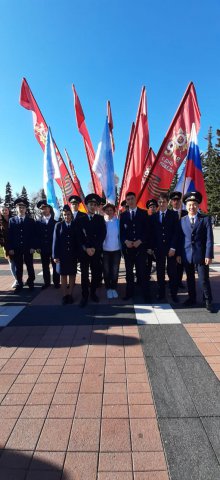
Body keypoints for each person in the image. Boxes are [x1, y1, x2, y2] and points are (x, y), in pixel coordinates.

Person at [180, 191, 214, 312]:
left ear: (198, 205)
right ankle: (192, 298)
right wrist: (179, 254)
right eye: (189, 204)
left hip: (201, 254)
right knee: (189, 278)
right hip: (187, 254)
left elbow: (209, 239)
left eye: (194, 204)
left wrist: (209, 255)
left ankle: (208, 300)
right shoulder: (182, 220)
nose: (192, 207)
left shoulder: (205, 219)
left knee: (204, 279)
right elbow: (180, 239)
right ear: (186, 206)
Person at [76, 194, 106, 307]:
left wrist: (94, 248)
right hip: (84, 252)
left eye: (94, 205)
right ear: (86, 205)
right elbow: (78, 236)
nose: (92, 206)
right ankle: (84, 296)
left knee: (96, 274)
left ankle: (93, 293)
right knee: (84, 275)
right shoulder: (80, 220)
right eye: (90, 204)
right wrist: (86, 248)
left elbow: (102, 235)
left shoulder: (100, 219)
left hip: (96, 251)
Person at [120, 191, 151, 301]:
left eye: (132, 198)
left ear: (135, 199)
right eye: (128, 199)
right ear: (126, 201)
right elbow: (121, 232)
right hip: (128, 249)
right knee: (129, 273)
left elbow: (147, 231)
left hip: (140, 248)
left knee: (142, 272)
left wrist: (141, 240)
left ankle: (146, 295)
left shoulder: (143, 213)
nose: (130, 201)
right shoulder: (123, 215)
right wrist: (125, 241)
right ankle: (129, 293)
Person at [151, 192, 179, 302]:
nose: (161, 204)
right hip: (159, 249)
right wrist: (153, 247)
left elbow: (176, 233)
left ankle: (173, 293)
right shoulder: (154, 216)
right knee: (160, 272)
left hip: (170, 249)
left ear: (168, 202)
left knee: (172, 272)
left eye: (164, 202)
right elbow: (152, 234)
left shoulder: (173, 215)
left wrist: (173, 247)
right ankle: (161, 293)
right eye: (160, 202)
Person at [8, 197, 36, 292]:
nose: (21, 209)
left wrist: (33, 247)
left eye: (23, 207)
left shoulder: (31, 221)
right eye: (19, 207)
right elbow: (10, 235)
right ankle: (19, 283)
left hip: (28, 248)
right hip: (16, 248)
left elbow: (33, 235)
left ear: (26, 209)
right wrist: (10, 248)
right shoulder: (12, 220)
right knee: (18, 267)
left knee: (30, 266)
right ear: (16, 208)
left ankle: (31, 282)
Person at [52, 205, 77, 305]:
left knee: (72, 275)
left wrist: (78, 254)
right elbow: (55, 241)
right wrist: (55, 256)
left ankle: (70, 295)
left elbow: (77, 241)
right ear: (63, 215)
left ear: (71, 215)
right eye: (65, 214)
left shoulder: (75, 225)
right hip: (61, 255)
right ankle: (64, 295)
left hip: (72, 255)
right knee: (63, 275)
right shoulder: (58, 225)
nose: (67, 216)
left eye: (68, 214)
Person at [36, 200, 60, 289]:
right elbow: (36, 235)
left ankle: (56, 282)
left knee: (55, 265)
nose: (45, 210)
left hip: (53, 247)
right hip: (43, 248)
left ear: (49, 209)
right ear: (41, 210)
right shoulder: (38, 222)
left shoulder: (56, 221)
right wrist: (37, 246)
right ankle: (47, 283)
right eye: (42, 209)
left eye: (46, 208)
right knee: (45, 266)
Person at [169, 191, 188, 289]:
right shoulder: (168, 213)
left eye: (177, 200)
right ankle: (172, 281)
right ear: (171, 202)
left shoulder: (185, 213)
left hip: (182, 243)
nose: (176, 202)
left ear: (181, 201)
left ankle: (179, 281)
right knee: (171, 265)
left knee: (180, 264)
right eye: (174, 200)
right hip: (171, 243)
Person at [102, 203, 121, 299]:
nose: (109, 212)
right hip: (105, 250)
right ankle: (108, 288)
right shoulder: (103, 223)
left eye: (111, 210)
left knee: (115, 270)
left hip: (116, 250)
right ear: (104, 212)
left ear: (114, 211)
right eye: (107, 210)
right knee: (106, 270)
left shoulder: (118, 222)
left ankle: (113, 288)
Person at [0, 204, 18, 288]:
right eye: (2, 210)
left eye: (6, 210)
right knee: (11, 263)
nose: (4, 211)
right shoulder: (0, 223)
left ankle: (20, 279)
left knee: (18, 263)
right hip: (6, 246)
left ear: (9, 211)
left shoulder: (14, 220)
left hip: (16, 244)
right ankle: (16, 279)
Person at [146, 199, 158, 281]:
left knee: (160, 265)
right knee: (148, 265)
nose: (152, 208)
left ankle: (161, 281)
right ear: (148, 208)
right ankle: (147, 278)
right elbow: (146, 234)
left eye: (154, 206)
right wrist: (148, 247)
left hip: (158, 246)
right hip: (149, 246)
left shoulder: (160, 217)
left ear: (156, 208)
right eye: (150, 207)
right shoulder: (146, 219)